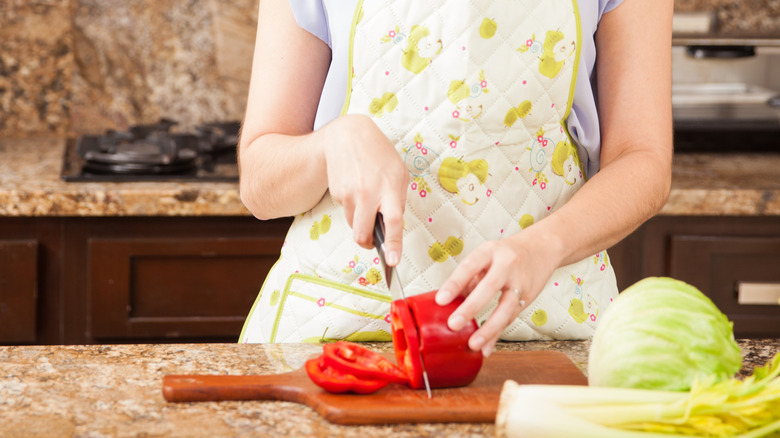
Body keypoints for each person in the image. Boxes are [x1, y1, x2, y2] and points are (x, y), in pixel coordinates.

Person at [237, 0, 673, 356]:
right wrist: (332, 143)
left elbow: (644, 159)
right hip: (335, 321)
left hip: (552, 319)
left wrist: (544, 245)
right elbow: (260, 183)